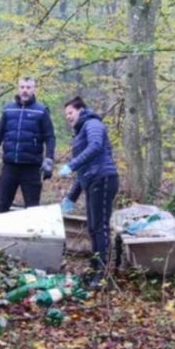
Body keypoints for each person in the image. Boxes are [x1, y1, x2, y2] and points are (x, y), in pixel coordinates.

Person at [58, 96, 119, 288]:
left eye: (71, 112)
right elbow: (83, 170)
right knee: (93, 228)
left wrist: (71, 164)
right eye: (66, 114)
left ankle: (102, 275)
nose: (68, 117)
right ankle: (94, 269)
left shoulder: (92, 124)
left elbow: (95, 146)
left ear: (81, 110)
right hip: (93, 180)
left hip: (104, 179)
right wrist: (71, 197)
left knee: (100, 228)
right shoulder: (80, 131)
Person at [0, 77, 57, 213]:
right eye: (22, 87)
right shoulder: (8, 110)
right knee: (1, 206)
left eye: (28, 87)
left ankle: (32, 235)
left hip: (31, 168)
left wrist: (49, 159)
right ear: (18, 89)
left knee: (32, 210)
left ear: (34, 89)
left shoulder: (41, 111)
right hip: (10, 166)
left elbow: (50, 137)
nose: (25, 91)